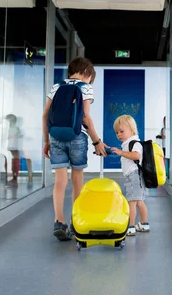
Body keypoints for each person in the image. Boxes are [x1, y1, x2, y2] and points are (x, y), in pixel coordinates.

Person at [42, 57, 106, 241]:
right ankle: (76, 221)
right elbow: (85, 118)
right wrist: (97, 141)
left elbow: (45, 115)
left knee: (59, 181)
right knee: (77, 179)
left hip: (55, 136)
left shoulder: (56, 86)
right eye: (90, 77)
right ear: (87, 72)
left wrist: (46, 140)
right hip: (77, 136)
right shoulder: (85, 87)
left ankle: (58, 221)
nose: (89, 81)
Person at [110, 114, 149, 236]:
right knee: (139, 201)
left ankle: (130, 226)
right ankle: (144, 223)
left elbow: (136, 156)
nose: (119, 135)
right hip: (135, 175)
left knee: (132, 202)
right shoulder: (128, 143)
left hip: (134, 175)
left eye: (122, 131)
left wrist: (121, 152)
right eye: (117, 132)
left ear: (132, 129)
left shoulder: (134, 142)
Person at [5, 114, 22, 185]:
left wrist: (13, 136)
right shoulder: (11, 128)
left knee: (15, 159)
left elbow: (18, 135)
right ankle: (14, 177)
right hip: (13, 145)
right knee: (15, 159)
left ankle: (15, 177)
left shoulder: (15, 128)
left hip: (14, 145)